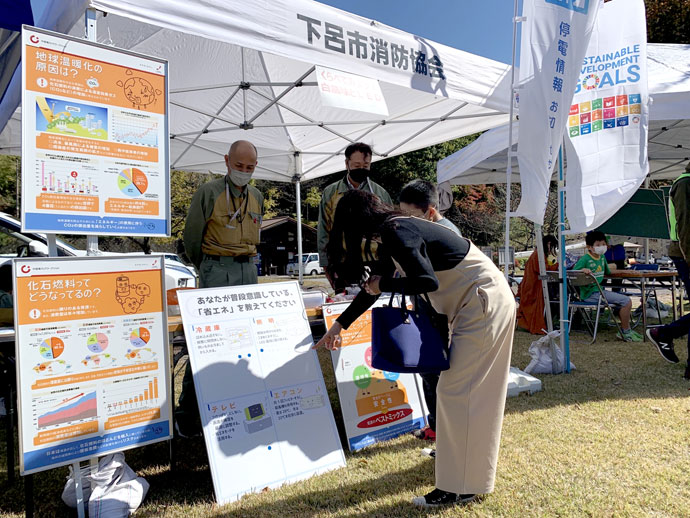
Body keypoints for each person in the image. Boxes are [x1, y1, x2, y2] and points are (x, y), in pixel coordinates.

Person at [314, 190, 515, 507]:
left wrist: (384, 286)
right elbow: (373, 287)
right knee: (463, 393)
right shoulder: (393, 231)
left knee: (458, 392)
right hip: (477, 301)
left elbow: (425, 281)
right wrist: (340, 325)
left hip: (481, 301)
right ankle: (464, 478)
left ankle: (457, 488)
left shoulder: (397, 230)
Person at [178, 139, 263, 437]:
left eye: (250, 167)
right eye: (239, 166)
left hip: (247, 270)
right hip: (216, 269)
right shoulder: (209, 192)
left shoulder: (257, 196)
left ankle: (237, 406)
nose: (244, 171)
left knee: (246, 343)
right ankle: (188, 415)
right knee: (208, 344)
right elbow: (191, 238)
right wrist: (209, 267)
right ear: (226, 161)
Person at [398, 179, 461, 442]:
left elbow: (431, 280)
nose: (406, 221)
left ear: (431, 210)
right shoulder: (425, 229)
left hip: (443, 314)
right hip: (427, 309)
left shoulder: (447, 234)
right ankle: (436, 426)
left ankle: (446, 430)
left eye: (411, 215)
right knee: (428, 370)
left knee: (440, 372)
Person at [317, 142, 392, 289]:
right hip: (342, 262)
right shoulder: (331, 193)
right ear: (347, 164)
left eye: (366, 166)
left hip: (375, 262)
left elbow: (391, 231)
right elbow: (323, 230)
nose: (362, 170)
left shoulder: (380, 194)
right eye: (357, 166)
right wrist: (326, 266)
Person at [647, 161, 690, 378]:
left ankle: (663, 333)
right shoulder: (684, 184)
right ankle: (663, 333)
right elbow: (684, 225)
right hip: (684, 253)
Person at [572, 231, 642, 342]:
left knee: (622, 300)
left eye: (603, 244)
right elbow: (572, 273)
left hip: (599, 292)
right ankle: (625, 331)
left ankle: (625, 329)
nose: (602, 247)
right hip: (591, 294)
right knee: (626, 301)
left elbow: (607, 271)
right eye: (598, 245)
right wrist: (582, 270)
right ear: (589, 247)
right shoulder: (585, 259)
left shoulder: (602, 257)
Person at [516, 235, 559, 335]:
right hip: (533, 287)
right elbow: (542, 270)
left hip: (532, 285)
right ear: (548, 244)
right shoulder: (538, 255)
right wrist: (557, 265)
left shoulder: (538, 254)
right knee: (534, 309)